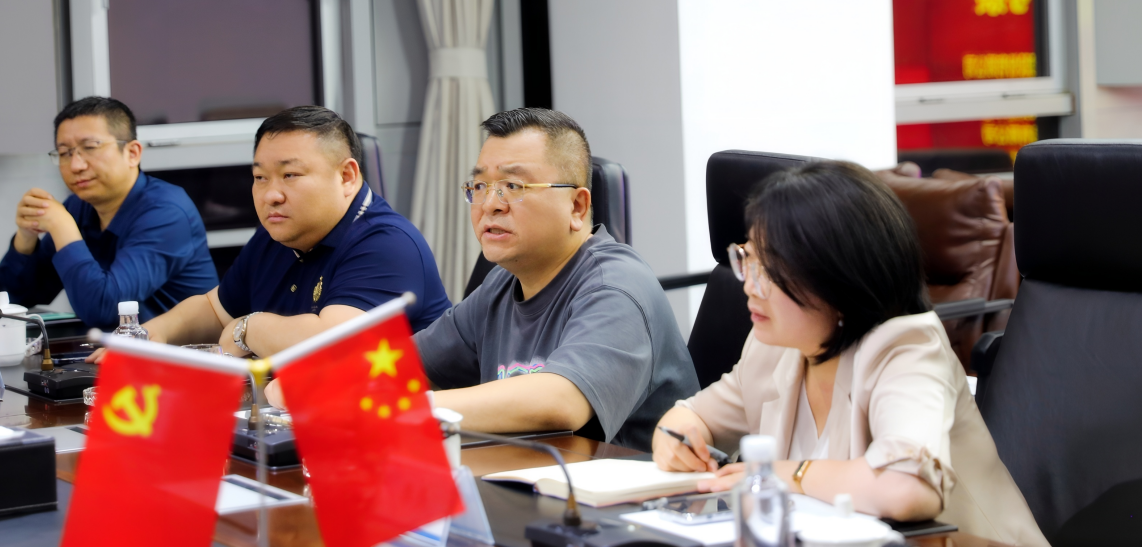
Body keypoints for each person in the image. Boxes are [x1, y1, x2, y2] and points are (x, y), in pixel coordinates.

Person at [652, 161, 1048, 547]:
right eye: (748, 259)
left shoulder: (907, 348)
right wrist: (677, 440)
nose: (750, 286)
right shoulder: (774, 347)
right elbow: (690, 417)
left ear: (836, 277)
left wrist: (783, 473)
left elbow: (907, 488)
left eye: (769, 270)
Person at [406, 108, 697, 451]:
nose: (490, 204)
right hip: (524, 477)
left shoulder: (617, 286)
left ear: (577, 207)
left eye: (513, 186)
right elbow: (408, 366)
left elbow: (562, 401)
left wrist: (409, 409)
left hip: (634, 484)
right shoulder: (501, 284)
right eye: (481, 185)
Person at [97, 106, 450, 362]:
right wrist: (149, 336)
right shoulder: (278, 234)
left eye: (290, 175)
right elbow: (214, 309)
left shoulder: (387, 244)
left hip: (402, 429)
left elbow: (333, 347)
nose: (271, 195)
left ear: (346, 177)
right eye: (260, 178)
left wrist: (249, 328)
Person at [0, 97, 218, 329]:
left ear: (132, 153)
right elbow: (15, 300)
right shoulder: (77, 207)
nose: (76, 166)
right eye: (64, 153)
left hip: (180, 349)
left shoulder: (167, 212)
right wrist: (26, 236)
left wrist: (62, 227)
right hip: (114, 347)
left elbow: (106, 310)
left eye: (90, 148)